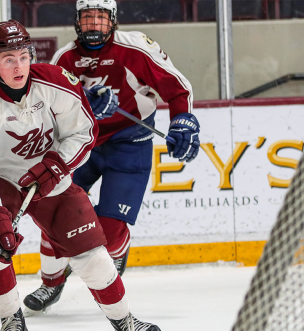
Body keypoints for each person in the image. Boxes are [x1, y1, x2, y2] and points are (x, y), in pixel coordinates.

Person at [0, 20, 165, 331]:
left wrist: (57, 164)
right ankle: (10, 320)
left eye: (23, 56)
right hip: (2, 181)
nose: (18, 66)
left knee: (91, 255)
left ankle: (124, 319)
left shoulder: (55, 82)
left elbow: (83, 132)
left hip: (51, 173)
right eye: (8, 59)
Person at [23, 0, 200, 314]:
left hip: (130, 143)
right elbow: (46, 109)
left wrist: (182, 120)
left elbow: (176, 88)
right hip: (81, 145)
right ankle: (51, 284)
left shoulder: (135, 49)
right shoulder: (64, 58)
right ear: (77, 21)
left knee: (110, 230)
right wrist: (83, 106)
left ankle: (116, 246)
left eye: (101, 17)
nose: (94, 24)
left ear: (113, 21)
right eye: (87, 17)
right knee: (55, 214)